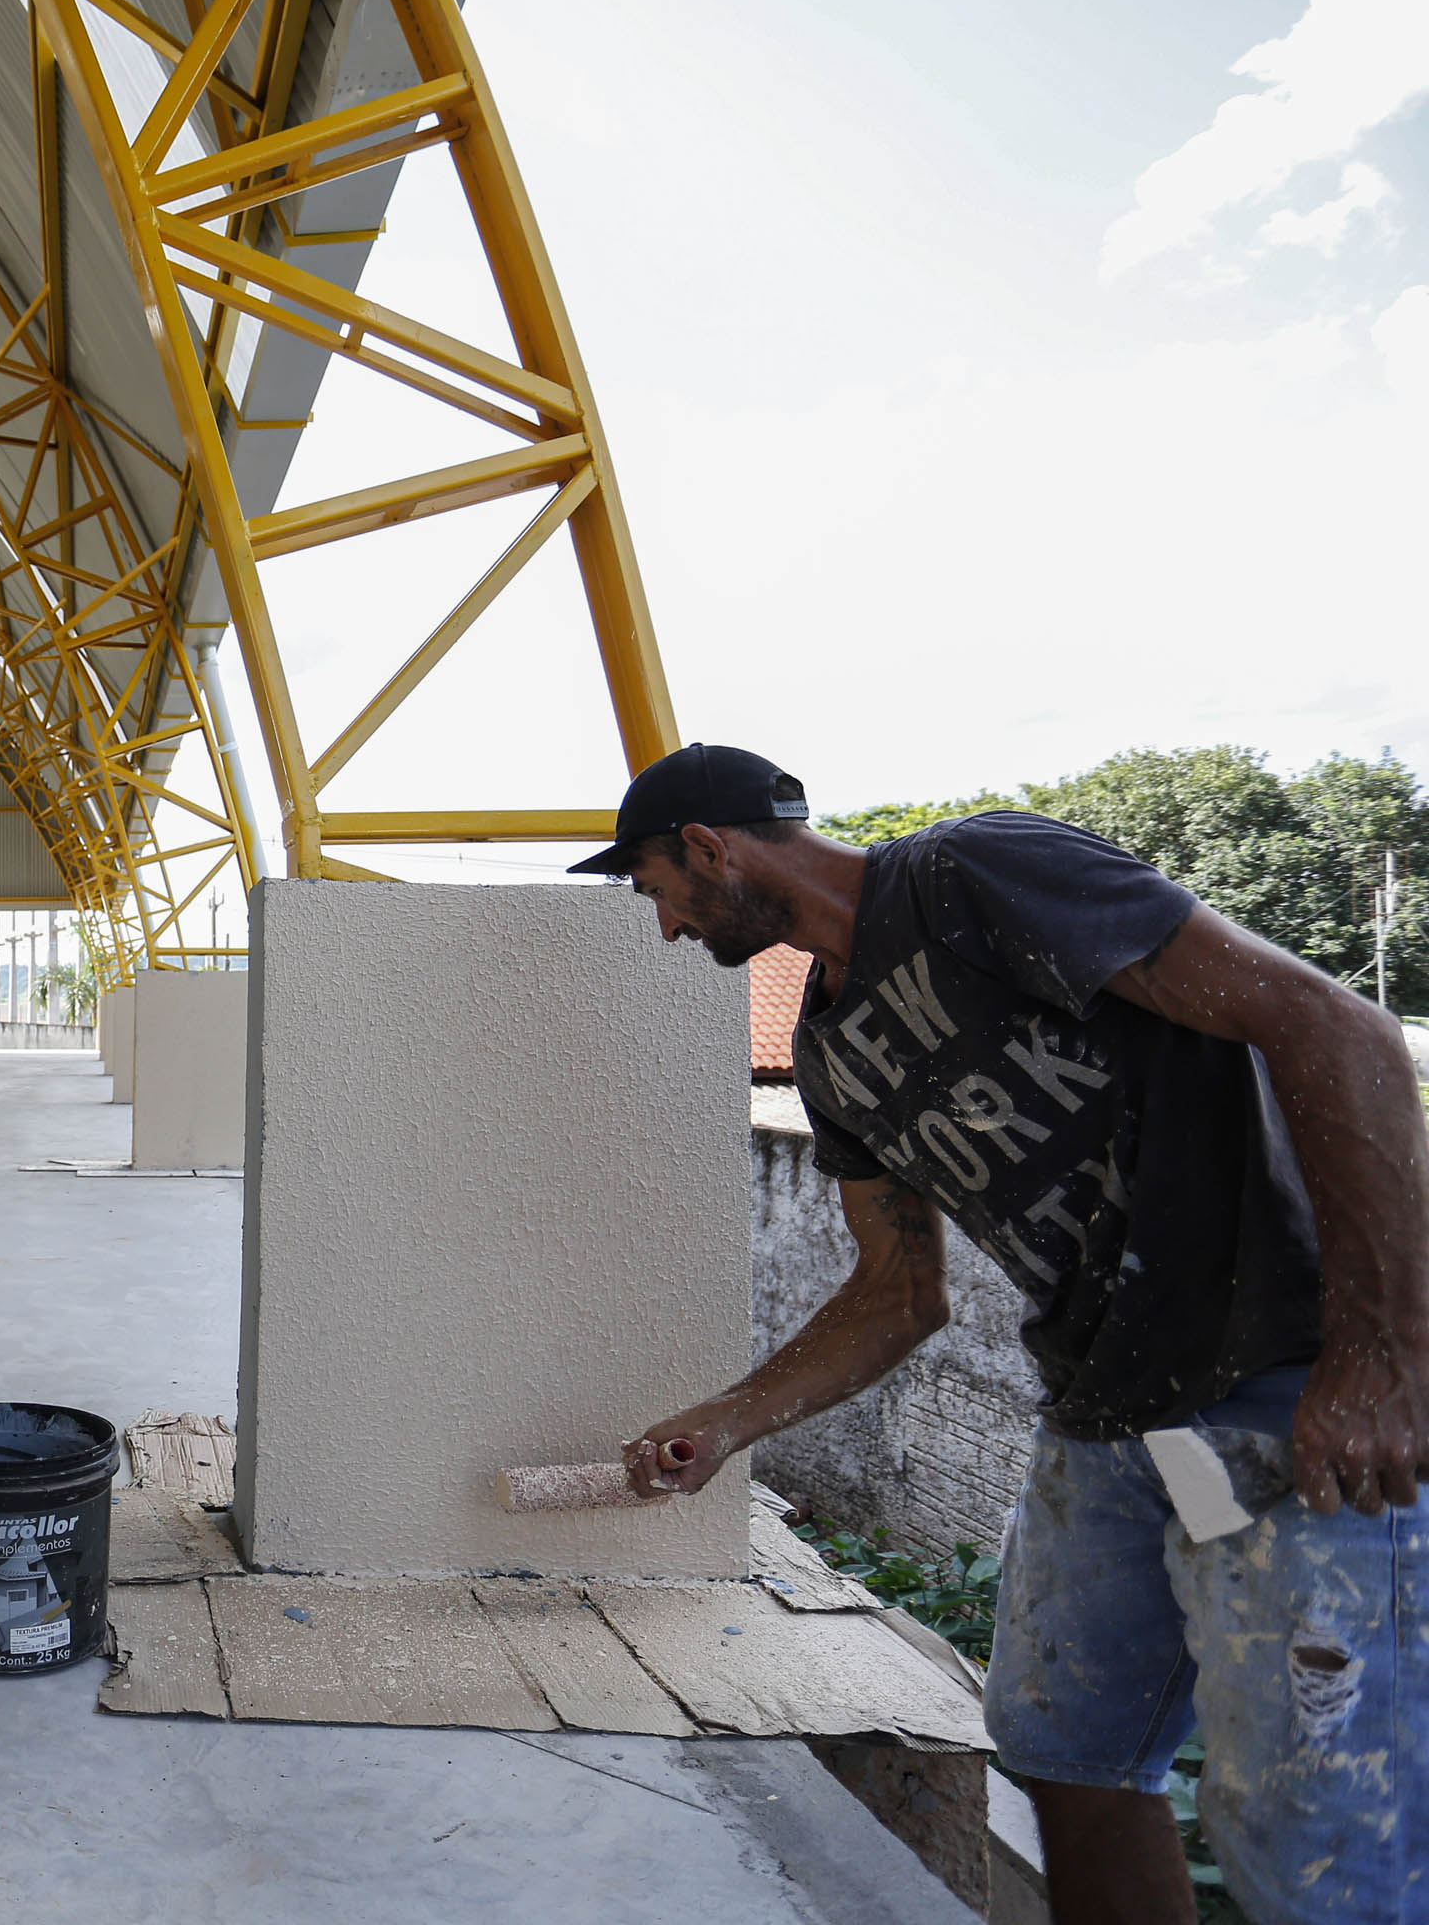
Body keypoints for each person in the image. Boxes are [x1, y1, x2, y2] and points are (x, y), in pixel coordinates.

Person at [571, 743, 1428, 1925]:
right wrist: (724, 1423)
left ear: (711, 849)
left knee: (1320, 1835)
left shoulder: (974, 875)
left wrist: (1382, 1357)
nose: (665, 926)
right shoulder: (829, 1053)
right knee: (1067, 1752)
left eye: (657, 888)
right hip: (1106, 1414)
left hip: (1276, 1383)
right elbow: (896, 1293)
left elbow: (1338, 1028)